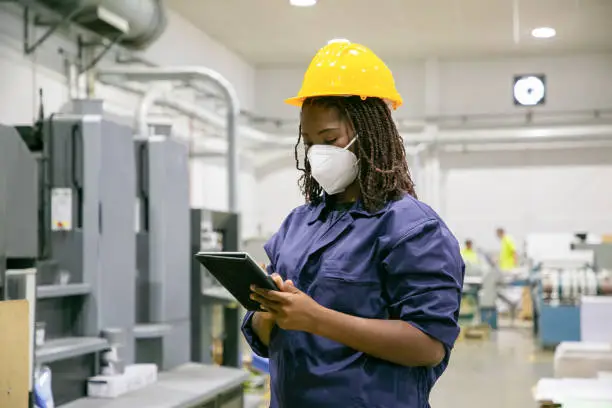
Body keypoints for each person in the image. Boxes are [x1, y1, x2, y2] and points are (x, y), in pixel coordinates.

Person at [241, 40, 464, 408]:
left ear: (371, 134)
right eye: (309, 142)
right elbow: (262, 332)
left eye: (329, 140)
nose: (317, 154)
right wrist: (268, 313)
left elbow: (428, 346)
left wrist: (317, 320)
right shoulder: (298, 225)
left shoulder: (412, 230)